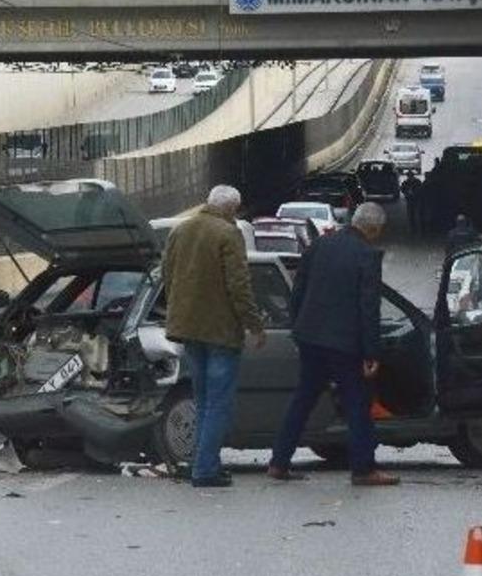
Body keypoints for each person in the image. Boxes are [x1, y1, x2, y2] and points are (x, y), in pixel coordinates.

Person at [269, 203, 399, 487]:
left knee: (303, 399)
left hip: (310, 338)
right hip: (345, 344)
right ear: (374, 229)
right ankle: (363, 468)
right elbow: (368, 307)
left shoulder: (320, 245)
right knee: (356, 405)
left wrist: (298, 326)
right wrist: (371, 351)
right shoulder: (367, 255)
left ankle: (279, 461)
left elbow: (299, 290)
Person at [163, 185, 266, 487]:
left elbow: (167, 275)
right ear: (232, 209)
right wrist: (255, 325)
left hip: (188, 329)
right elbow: (239, 285)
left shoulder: (180, 231)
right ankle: (205, 470)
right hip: (220, 331)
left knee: (202, 398)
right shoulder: (227, 233)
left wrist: (177, 312)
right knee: (218, 403)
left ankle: (203, 461)